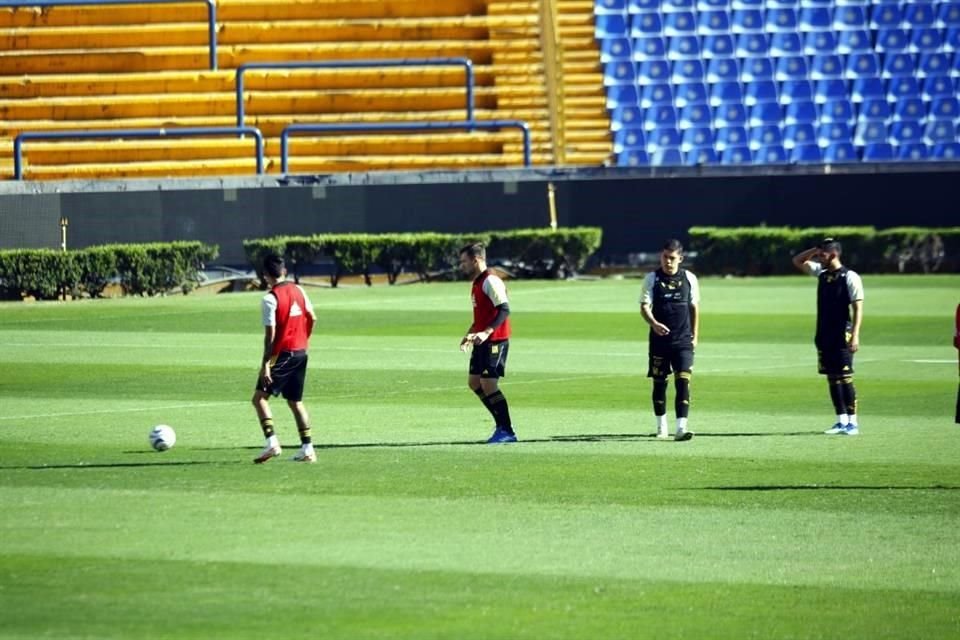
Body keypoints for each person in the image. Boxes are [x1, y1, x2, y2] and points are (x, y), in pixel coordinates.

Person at [792, 238, 864, 436]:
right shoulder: (821, 273)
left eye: (822, 254)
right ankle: (840, 421)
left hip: (842, 333)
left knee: (845, 377)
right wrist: (814, 249)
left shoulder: (850, 277)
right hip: (824, 333)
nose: (818, 257)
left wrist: (855, 335)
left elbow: (858, 308)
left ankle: (853, 422)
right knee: (832, 378)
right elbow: (798, 261)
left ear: (833, 255)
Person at [252, 254, 318, 463]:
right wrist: (303, 339)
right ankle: (308, 449)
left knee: (259, 398)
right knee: (295, 402)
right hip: (300, 352)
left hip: (282, 354)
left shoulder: (269, 299)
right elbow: (312, 317)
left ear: (265, 275)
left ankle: (272, 443)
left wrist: (266, 366)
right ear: (284, 272)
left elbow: (270, 337)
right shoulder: (299, 289)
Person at [639, 239, 700, 441]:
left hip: (683, 340)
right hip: (659, 342)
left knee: (683, 381)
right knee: (659, 383)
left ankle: (681, 428)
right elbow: (644, 307)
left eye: (672, 258)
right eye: (665, 257)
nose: (668, 261)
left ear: (680, 259)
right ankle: (661, 426)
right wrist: (654, 323)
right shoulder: (652, 279)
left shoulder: (689, 278)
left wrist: (695, 336)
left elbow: (694, 308)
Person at [458, 242, 517, 444]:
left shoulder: (491, 281)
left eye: (464, 261)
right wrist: (470, 333)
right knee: (474, 383)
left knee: (488, 384)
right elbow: (482, 315)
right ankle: (500, 424)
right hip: (481, 339)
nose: (461, 266)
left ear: (476, 260)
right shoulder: (476, 282)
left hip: (496, 340)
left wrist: (486, 332)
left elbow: (504, 310)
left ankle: (507, 430)